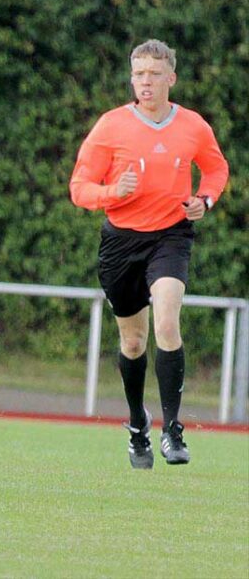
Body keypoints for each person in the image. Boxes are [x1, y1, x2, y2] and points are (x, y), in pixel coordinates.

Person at [70, 39, 229, 469]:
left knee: (167, 321)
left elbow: (216, 169)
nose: (145, 82)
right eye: (139, 74)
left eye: (154, 74)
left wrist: (205, 200)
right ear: (132, 77)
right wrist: (111, 192)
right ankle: (138, 424)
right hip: (121, 242)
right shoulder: (110, 126)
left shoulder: (193, 125)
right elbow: (79, 188)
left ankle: (173, 429)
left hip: (172, 236)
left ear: (170, 79)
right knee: (134, 340)